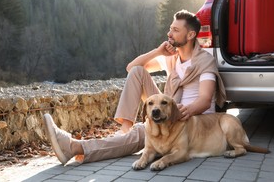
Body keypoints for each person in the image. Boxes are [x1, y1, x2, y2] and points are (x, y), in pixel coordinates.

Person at [43, 9, 226, 165]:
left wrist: (182, 112)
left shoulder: (204, 62)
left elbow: (204, 100)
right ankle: (125, 128)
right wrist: (158, 52)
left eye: (175, 30)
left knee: (142, 133)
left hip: (188, 120)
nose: (169, 34)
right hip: (165, 108)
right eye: (170, 29)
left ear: (191, 35)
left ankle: (75, 147)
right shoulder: (171, 57)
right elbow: (131, 68)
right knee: (138, 72)